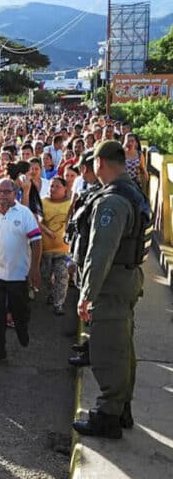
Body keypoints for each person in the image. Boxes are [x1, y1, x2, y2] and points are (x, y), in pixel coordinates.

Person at [72, 141, 147, 439]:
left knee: (109, 349)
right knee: (124, 345)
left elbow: (100, 252)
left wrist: (87, 293)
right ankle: (121, 407)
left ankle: (108, 415)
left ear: (101, 162)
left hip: (110, 285)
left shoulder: (112, 202)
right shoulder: (131, 190)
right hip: (124, 280)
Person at [0, 178, 42, 367]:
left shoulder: (25, 213)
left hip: (18, 274)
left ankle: (22, 328)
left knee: (20, 310)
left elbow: (36, 242)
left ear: (15, 193)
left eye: (7, 192)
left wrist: (34, 268)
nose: (3, 196)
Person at [39, 176, 72, 315]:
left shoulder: (70, 204)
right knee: (45, 275)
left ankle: (59, 304)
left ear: (65, 189)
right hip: (45, 248)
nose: (53, 189)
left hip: (63, 249)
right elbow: (37, 220)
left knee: (62, 275)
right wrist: (47, 231)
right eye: (52, 186)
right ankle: (52, 293)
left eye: (57, 186)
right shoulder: (43, 202)